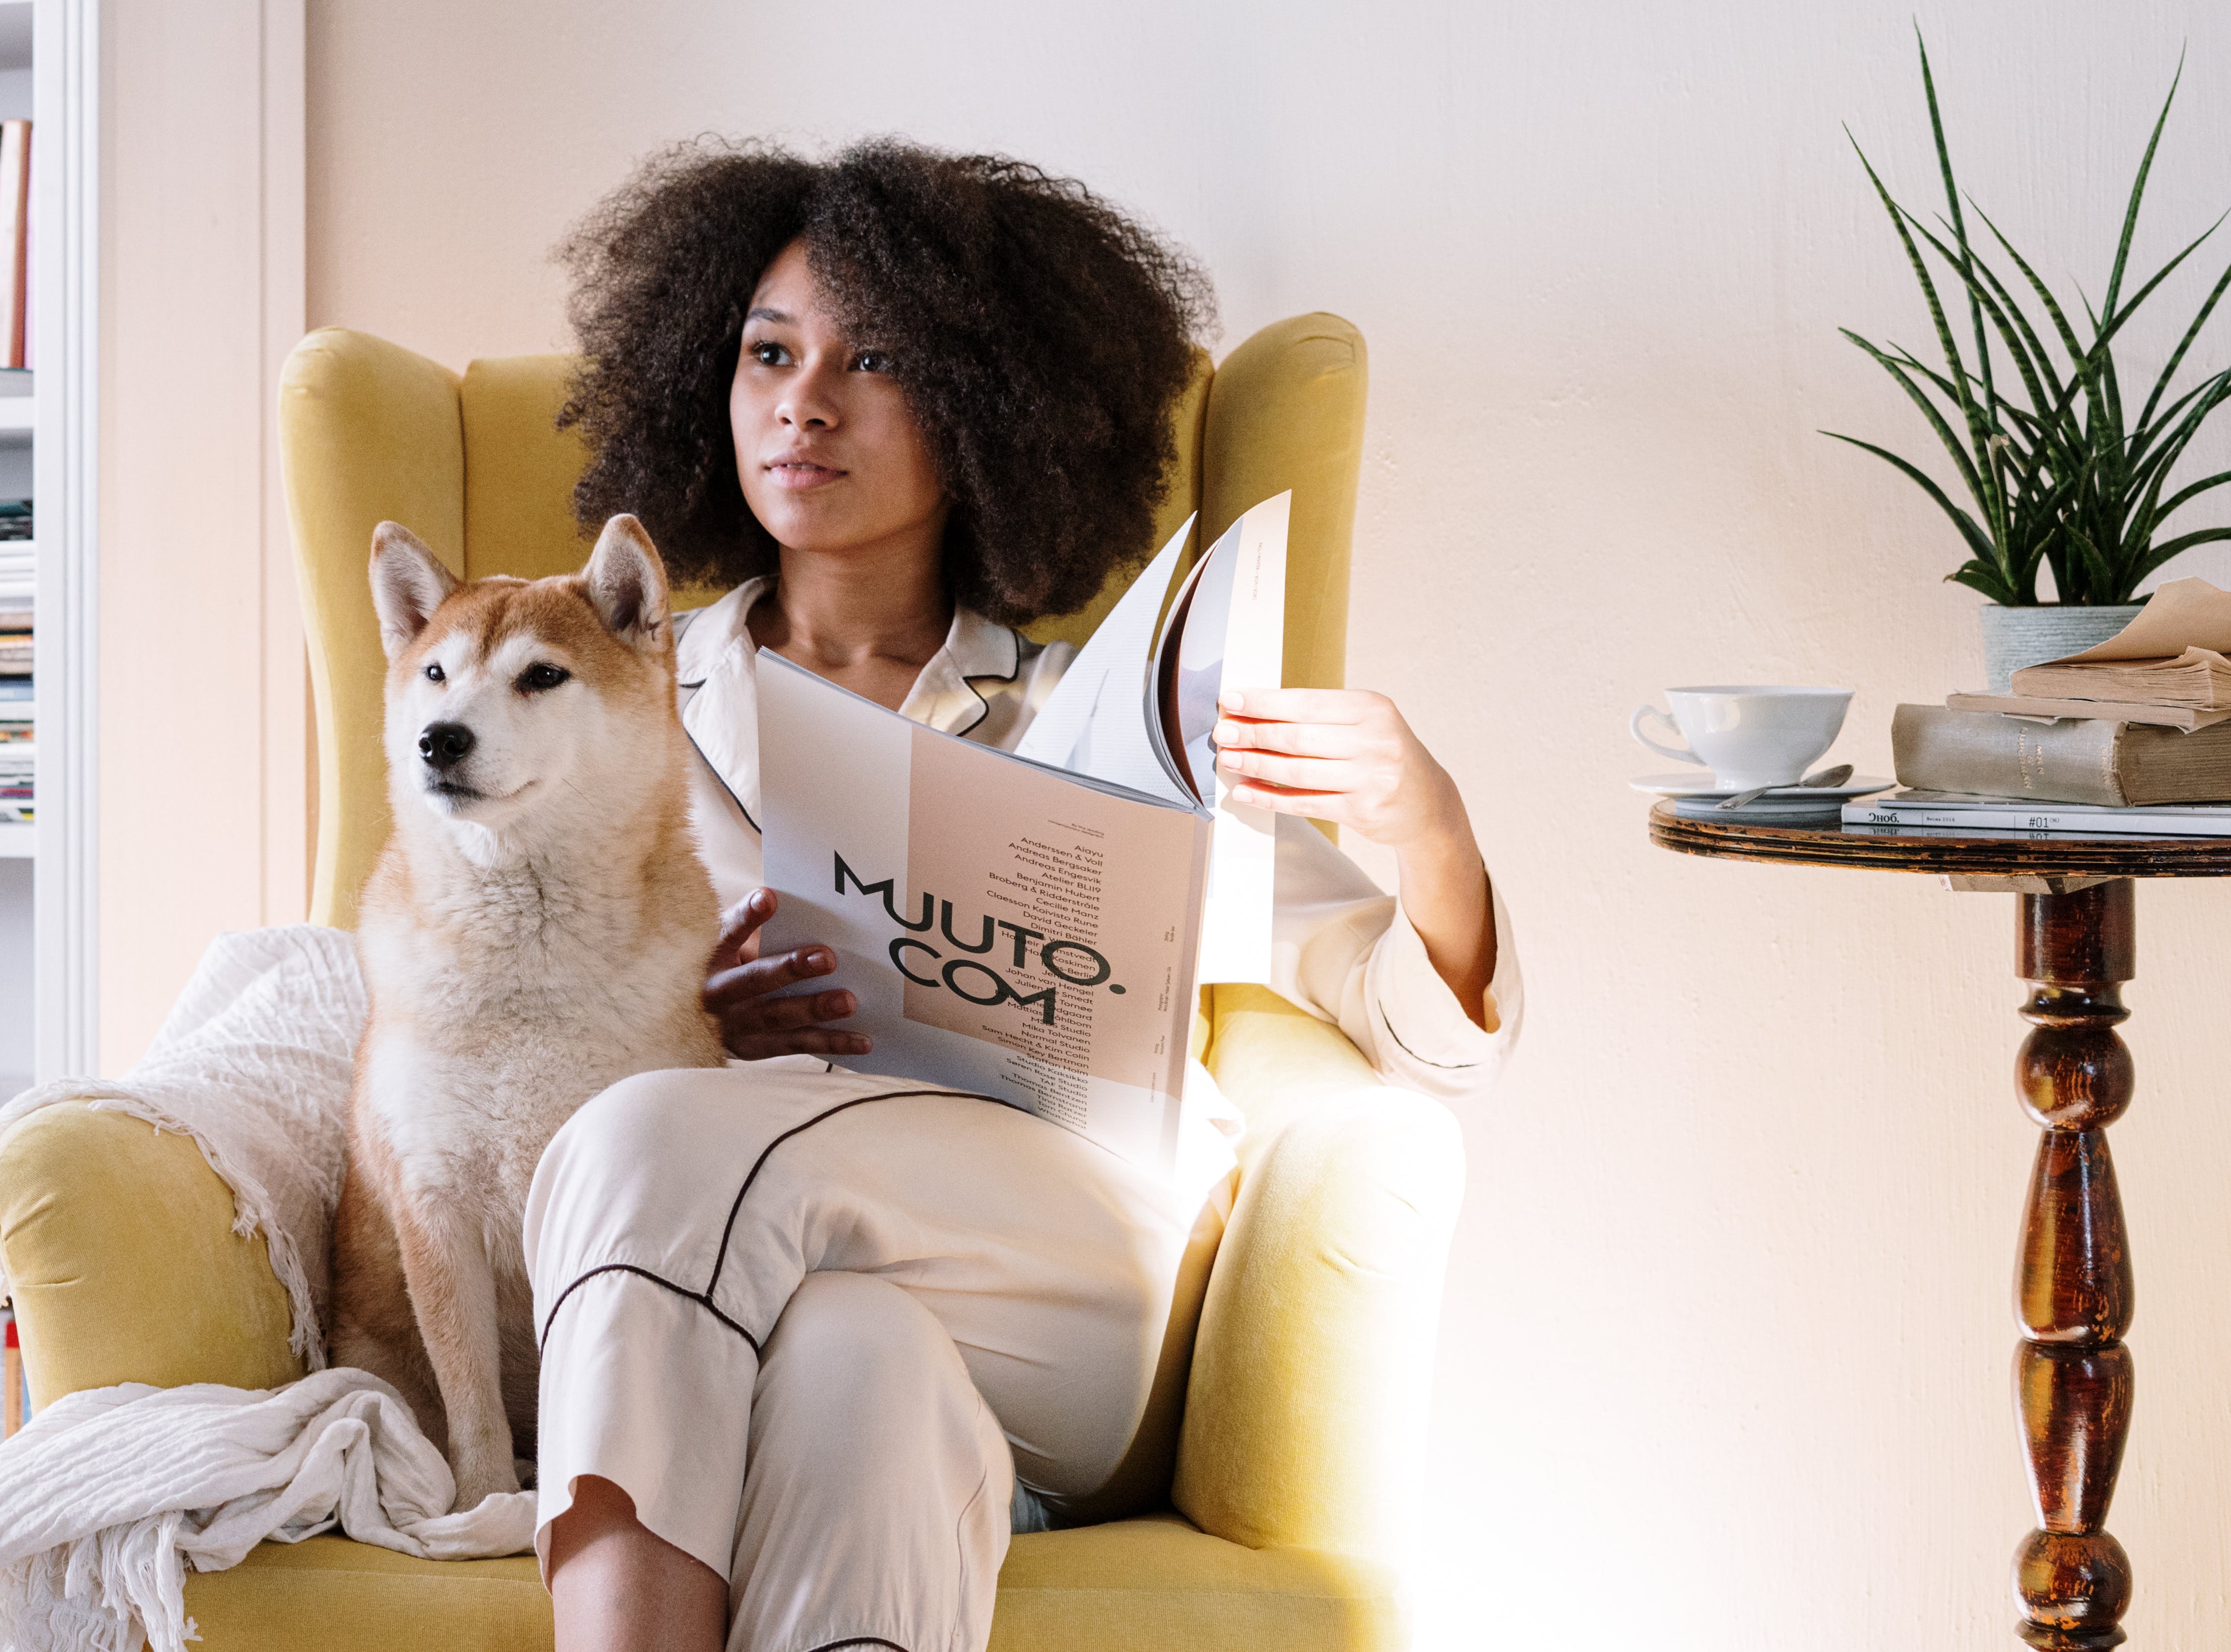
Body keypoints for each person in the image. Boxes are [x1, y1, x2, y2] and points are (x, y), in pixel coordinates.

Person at [522, 139, 1524, 1652]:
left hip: (1072, 1281)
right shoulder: (606, 704)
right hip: (780, 1282)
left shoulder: (1099, 713)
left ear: (987, 411)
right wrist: (677, 1009)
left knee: (646, 1137)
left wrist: (1427, 820)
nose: (804, 400)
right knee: (861, 1376)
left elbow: (1433, 1035)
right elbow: (477, 1018)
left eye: (876, 362)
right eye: (768, 354)